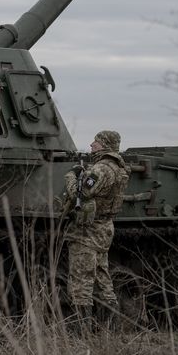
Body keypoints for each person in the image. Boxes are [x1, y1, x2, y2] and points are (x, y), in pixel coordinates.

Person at [62, 129, 130, 321]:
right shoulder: (119, 168)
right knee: (102, 278)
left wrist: (71, 175)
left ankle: (80, 330)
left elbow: (80, 193)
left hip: (88, 230)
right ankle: (109, 328)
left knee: (81, 279)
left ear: (105, 145)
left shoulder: (101, 169)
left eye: (96, 142)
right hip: (104, 227)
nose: (92, 144)